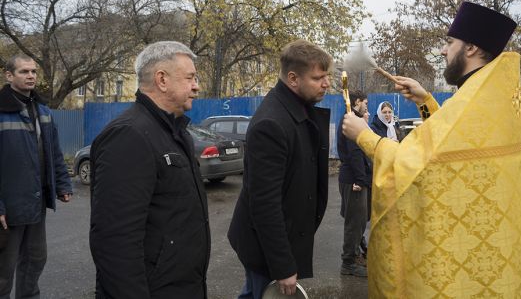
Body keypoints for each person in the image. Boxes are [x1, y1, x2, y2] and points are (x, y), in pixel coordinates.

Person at [342, 1, 521, 298]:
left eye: (449, 43)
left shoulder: (470, 106)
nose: (442, 51)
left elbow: (416, 164)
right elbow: (462, 146)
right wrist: (425, 101)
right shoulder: (516, 100)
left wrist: (364, 137)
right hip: (508, 254)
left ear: (472, 48)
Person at [89, 41, 210, 299]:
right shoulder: (129, 135)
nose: (196, 86)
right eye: (190, 77)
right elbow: (115, 242)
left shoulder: (176, 133)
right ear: (162, 80)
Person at [228, 40, 332, 298]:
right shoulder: (272, 124)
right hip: (265, 248)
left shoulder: (297, 110)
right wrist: (283, 266)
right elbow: (264, 203)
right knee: (259, 292)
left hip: (278, 241)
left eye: (327, 76)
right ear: (293, 79)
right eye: (318, 77)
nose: (326, 83)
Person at [0, 55, 73, 299]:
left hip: (36, 204)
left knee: (35, 261)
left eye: (33, 71)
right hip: (8, 209)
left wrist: (63, 183)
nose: (31, 76)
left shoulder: (43, 110)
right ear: (9, 76)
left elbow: (54, 151)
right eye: (24, 72)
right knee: (3, 270)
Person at [337, 90, 369, 277]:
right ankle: (348, 263)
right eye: (365, 102)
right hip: (353, 180)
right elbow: (355, 151)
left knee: (358, 221)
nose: (366, 106)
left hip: (353, 177)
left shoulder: (351, 118)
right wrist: (360, 179)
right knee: (354, 223)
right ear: (357, 102)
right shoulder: (351, 120)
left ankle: (355, 255)